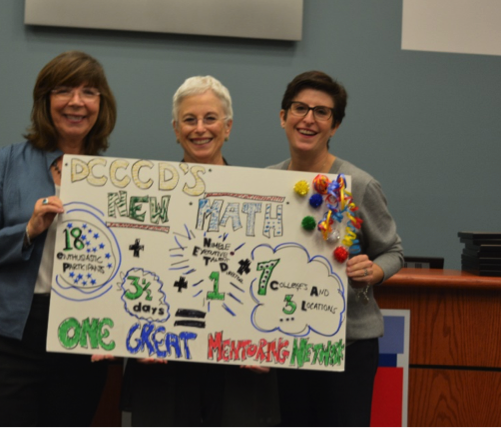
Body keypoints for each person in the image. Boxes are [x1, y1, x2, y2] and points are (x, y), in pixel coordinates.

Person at [0, 51, 117, 427]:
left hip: (77, 343)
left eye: (89, 92)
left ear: (101, 105)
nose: (76, 102)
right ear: (45, 101)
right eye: (64, 90)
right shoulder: (7, 162)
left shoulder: (117, 178)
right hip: (3, 342)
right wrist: (27, 231)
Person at [121, 75, 280, 427]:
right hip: (162, 366)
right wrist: (131, 333)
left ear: (228, 127)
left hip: (237, 371)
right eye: (189, 120)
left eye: (210, 118)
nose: (200, 128)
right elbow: (127, 271)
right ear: (176, 129)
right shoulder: (145, 196)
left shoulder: (261, 196)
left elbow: (275, 276)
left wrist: (269, 341)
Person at [268, 70, 404, 428]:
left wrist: (374, 271)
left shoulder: (358, 184)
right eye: (300, 108)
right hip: (284, 343)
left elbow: (394, 251)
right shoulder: (266, 182)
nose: (309, 119)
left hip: (347, 346)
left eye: (322, 112)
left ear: (335, 125)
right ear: (283, 117)